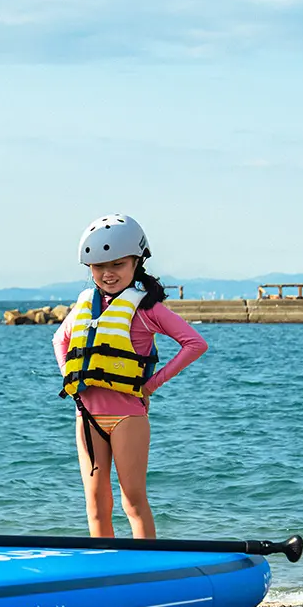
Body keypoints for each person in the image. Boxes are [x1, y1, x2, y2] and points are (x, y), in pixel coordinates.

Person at [53, 214, 206, 539]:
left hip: (127, 416)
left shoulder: (148, 309)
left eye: (118, 264)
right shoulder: (84, 305)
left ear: (137, 262)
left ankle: (144, 568)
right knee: (95, 503)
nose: (107, 274)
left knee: (132, 499)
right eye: (98, 267)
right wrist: (71, 377)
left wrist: (152, 383)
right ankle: (105, 568)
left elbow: (195, 343)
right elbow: (60, 340)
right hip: (86, 415)